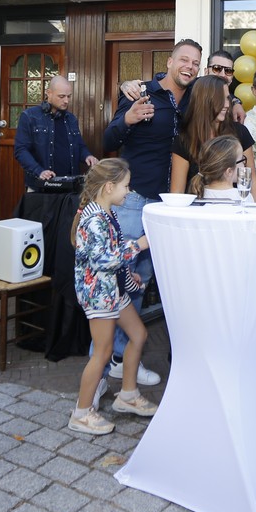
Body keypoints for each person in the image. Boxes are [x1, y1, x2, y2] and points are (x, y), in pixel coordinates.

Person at [102, 38, 203, 385]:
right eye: (184, 59)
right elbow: (108, 139)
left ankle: (122, 357)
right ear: (170, 62)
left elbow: (219, 98)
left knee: (139, 284)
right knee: (118, 281)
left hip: (167, 206)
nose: (189, 66)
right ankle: (103, 367)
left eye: (195, 63)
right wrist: (128, 119)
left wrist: (233, 104)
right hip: (134, 201)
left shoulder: (194, 99)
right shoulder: (141, 93)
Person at [69, 158, 159, 435]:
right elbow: (103, 260)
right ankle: (81, 413)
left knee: (138, 335)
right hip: (100, 294)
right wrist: (139, 245)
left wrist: (128, 277)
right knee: (103, 352)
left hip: (113, 290)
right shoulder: (94, 220)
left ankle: (128, 395)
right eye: (125, 186)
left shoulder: (107, 214)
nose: (129, 192)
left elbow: (114, 255)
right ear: (109, 187)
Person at [169, 75, 256, 202]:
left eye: (228, 98)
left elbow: (252, 179)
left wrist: (253, 210)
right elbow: (177, 192)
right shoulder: (184, 140)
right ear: (205, 100)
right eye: (221, 99)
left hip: (237, 211)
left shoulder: (240, 132)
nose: (227, 104)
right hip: (198, 212)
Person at [14, 75, 98, 190]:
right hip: (41, 187)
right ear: (49, 93)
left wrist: (87, 156)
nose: (66, 101)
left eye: (69, 96)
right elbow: (21, 150)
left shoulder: (71, 119)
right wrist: (39, 171)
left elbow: (79, 145)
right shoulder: (29, 116)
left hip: (69, 187)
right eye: (61, 96)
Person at [190, 135, 244, 200]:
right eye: (242, 160)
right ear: (229, 171)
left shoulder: (198, 193)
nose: (244, 164)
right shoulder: (243, 197)